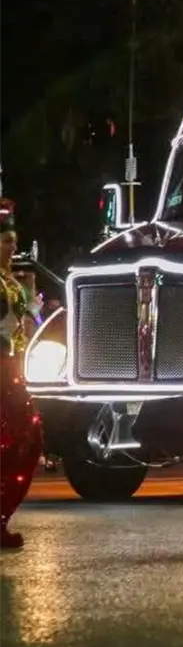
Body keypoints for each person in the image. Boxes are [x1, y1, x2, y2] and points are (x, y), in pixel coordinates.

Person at [0, 195, 43, 548]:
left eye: (13, 240)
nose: (12, 246)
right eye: (5, 240)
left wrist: (29, 297)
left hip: (12, 368)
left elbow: (31, 324)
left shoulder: (13, 282)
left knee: (25, 439)